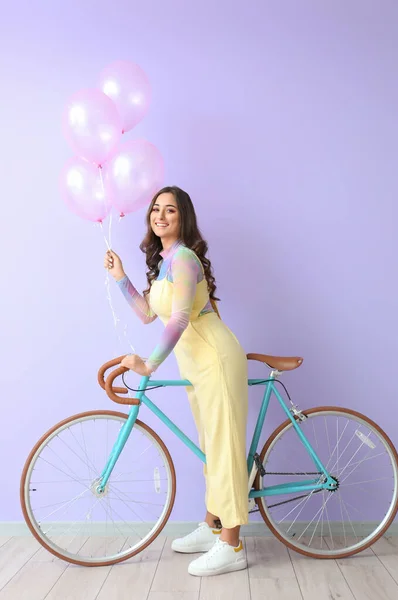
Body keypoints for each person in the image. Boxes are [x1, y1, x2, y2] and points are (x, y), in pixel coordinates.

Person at [104, 186, 249, 577]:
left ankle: (232, 545)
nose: (160, 215)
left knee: (224, 448)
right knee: (210, 447)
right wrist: (121, 277)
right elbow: (149, 314)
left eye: (170, 210)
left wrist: (149, 364)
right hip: (197, 363)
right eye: (155, 209)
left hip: (215, 358)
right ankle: (213, 523)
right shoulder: (166, 261)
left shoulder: (184, 259)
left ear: (183, 217)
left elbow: (180, 319)